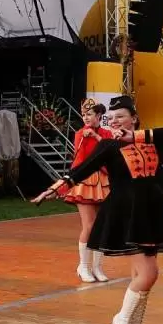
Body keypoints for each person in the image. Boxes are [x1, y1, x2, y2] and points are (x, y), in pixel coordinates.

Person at [32, 95, 163, 324]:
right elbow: (82, 168)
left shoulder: (149, 139)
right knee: (148, 274)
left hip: (151, 209)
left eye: (120, 116)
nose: (115, 122)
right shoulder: (109, 145)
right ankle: (123, 319)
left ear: (134, 118)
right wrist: (55, 188)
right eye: (111, 118)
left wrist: (134, 136)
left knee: (142, 275)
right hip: (127, 210)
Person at [65, 99, 112, 282]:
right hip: (86, 182)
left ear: (99, 115)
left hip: (104, 181)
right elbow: (79, 160)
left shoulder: (106, 133)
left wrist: (97, 137)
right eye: (84, 114)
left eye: (89, 114)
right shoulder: (80, 134)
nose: (85, 117)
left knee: (101, 225)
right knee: (89, 225)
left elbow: (109, 153)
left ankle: (97, 267)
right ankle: (83, 266)